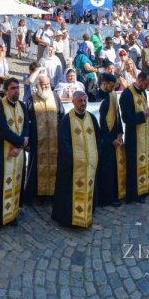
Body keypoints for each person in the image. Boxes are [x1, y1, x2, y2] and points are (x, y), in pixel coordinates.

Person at [0, 77, 28, 231]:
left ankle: (12, 214)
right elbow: (2, 130)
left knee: (16, 183)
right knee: (0, 185)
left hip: (18, 154)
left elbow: (26, 127)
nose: (16, 91)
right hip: (3, 154)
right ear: (6, 90)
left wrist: (21, 144)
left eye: (18, 88)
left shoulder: (22, 105)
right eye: (13, 88)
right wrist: (21, 142)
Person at [52, 89, 99, 229]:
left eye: (85, 101)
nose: (83, 103)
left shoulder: (91, 118)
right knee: (68, 193)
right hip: (72, 166)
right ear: (73, 102)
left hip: (89, 164)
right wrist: (73, 159)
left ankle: (86, 213)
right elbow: (63, 141)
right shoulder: (67, 120)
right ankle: (69, 219)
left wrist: (96, 155)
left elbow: (99, 138)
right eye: (80, 101)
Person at [24, 72, 61, 203]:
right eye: (43, 84)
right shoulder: (31, 99)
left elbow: (61, 116)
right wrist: (26, 140)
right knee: (36, 169)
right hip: (37, 141)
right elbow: (25, 121)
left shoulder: (55, 96)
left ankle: (52, 194)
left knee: (54, 166)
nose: (45, 87)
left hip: (54, 141)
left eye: (47, 84)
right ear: (37, 85)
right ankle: (37, 196)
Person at [119, 72, 149, 202]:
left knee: (146, 161)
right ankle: (135, 193)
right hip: (134, 136)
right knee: (134, 165)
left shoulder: (143, 91)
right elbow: (126, 118)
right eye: (145, 84)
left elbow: (142, 110)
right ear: (139, 80)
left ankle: (146, 187)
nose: (146, 86)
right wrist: (143, 114)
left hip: (145, 134)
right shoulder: (127, 94)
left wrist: (148, 111)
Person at [96, 73, 125, 207]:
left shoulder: (113, 94)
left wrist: (119, 133)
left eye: (114, 86)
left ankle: (116, 193)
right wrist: (110, 140)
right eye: (111, 86)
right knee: (106, 170)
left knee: (114, 168)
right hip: (105, 141)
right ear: (105, 83)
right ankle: (107, 197)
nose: (113, 88)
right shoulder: (97, 96)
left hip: (115, 139)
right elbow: (101, 123)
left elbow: (117, 115)